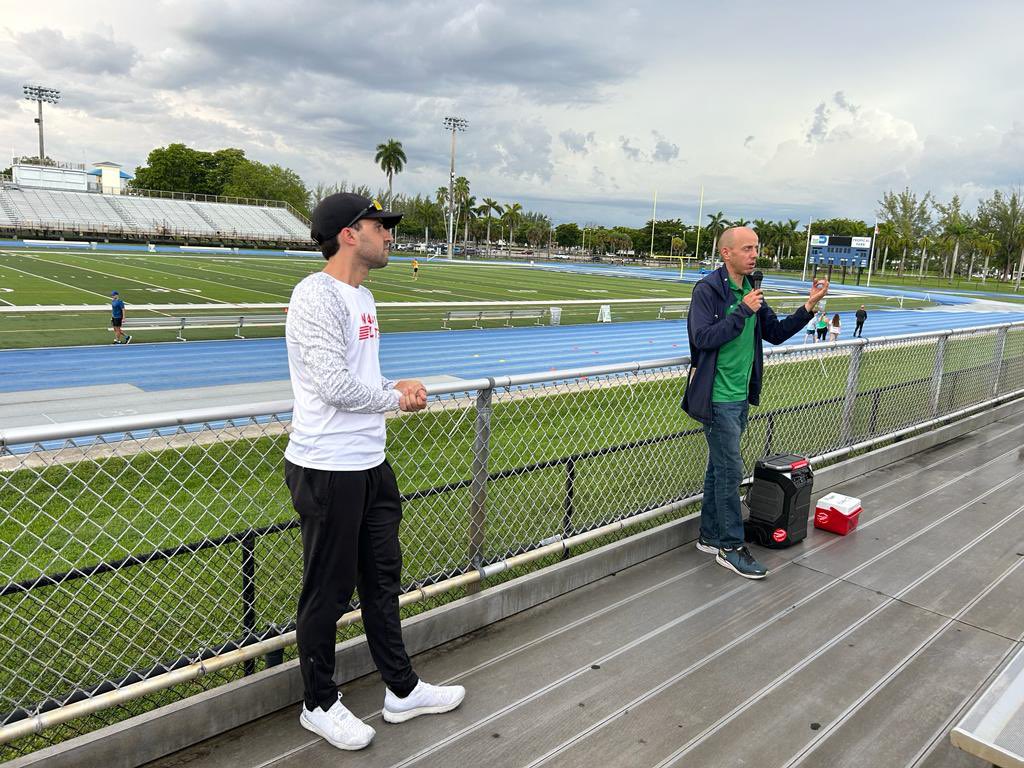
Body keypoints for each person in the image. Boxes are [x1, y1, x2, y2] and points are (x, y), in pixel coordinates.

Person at [283, 193, 465, 752]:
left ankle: (401, 691)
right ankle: (317, 703)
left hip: (369, 464)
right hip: (327, 465)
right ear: (347, 234)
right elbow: (333, 386)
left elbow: (360, 379)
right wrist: (394, 395)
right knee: (328, 592)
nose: (389, 235)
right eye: (379, 226)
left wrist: (395, 386)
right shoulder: (314, 295)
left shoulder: (362, 297)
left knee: (382, 583)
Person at [683, 227, 828, 579]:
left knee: (719, 470)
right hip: (716, 398)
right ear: (726, 254)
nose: (754, 254)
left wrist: (809, 305)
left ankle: (709, 536)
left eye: (756, 248)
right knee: (731, 471)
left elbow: (775, 334)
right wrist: (742, 313)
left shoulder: (751, 289)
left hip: (739, 396)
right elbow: (702, 339)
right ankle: (730, 547)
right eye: (747, 248)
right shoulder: (708, 291)